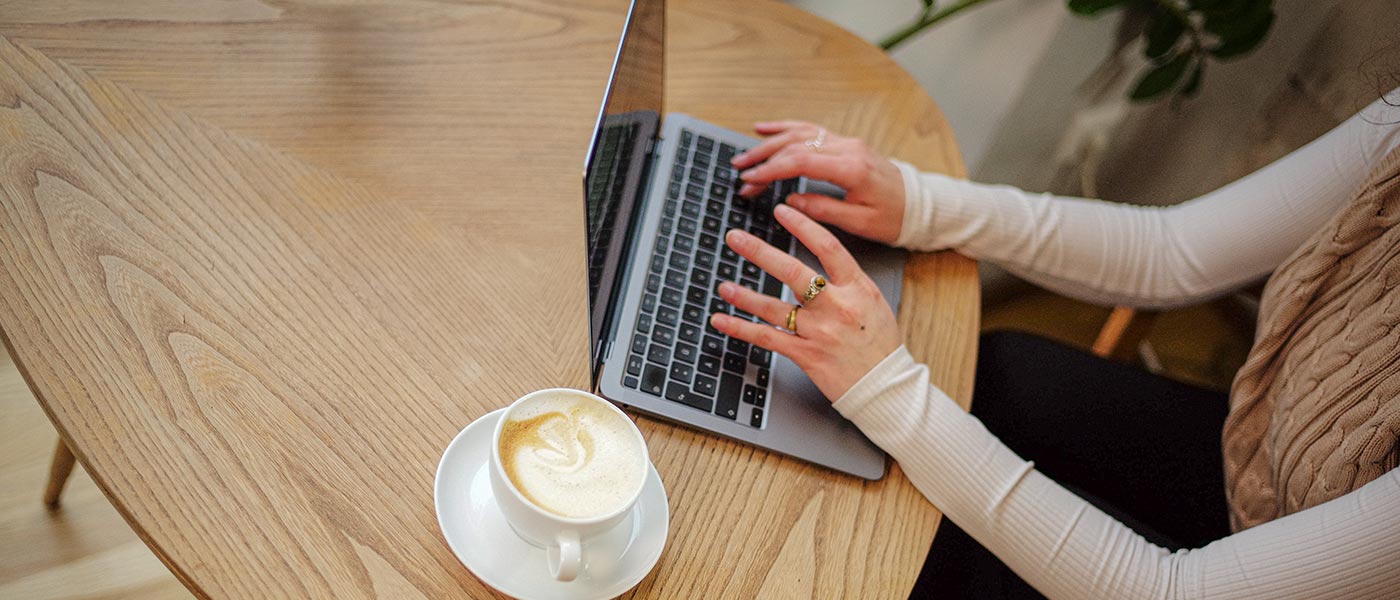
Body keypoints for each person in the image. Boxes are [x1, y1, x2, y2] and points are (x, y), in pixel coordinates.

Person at [707, 90, 1400, 599]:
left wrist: (888, 392)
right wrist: (921, 204)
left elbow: (1172, 592)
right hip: (1270, 451)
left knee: (921, 566)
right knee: (1005, 370)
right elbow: (1173, 251)